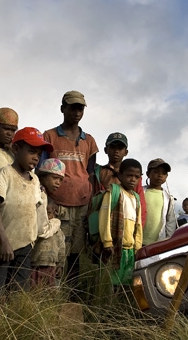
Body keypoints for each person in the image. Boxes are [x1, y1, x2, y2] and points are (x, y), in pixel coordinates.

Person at [0, 127, 54, 296]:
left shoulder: (36, 180)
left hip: (25, 246)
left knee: (18, 293)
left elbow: (37, 210)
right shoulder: (6, 173)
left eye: (39, 154)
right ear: (16, 149)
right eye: (31, 152)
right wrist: (4, 241)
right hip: (4, 246)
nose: (36, 158)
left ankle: (13, 322)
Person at [43, 91, 99, 284]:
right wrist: (47, 198)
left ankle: (72, 293)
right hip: (58, 203)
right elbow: (42, 170)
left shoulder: (89, 140)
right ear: (62, 109)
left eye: (80, 108)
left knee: (77, 251)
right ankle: (54, 291)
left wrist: (91, 201)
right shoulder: (50, 136)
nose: (77, 112)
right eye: (73, 107)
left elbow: (90, 173)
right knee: (58, 248)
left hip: (82, 203)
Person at [98, 159, 144, 286]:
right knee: (110, 282)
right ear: (120, 175)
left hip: (130, 249)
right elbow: (104, 218)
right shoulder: (113, 192)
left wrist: (138, 247)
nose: (133, 179)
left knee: (127, 282)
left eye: (136, 177)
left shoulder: (136, 197)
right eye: (129, 175)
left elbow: (138, 224)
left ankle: (121, 304)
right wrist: (107, 242)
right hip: (115, 247)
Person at [93, 132, 146, 224]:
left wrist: (139, 227)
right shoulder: (98, 172)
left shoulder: (134, 174)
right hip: (102, 220)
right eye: (113, 147)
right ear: (106, 150)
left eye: (120, 148)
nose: (116, 151)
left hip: (127, 220)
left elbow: (140, 204)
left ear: (126, 152)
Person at [32, 158, 66, 287]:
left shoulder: (45, 194)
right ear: (43, 176)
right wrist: (56, 222)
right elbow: (42, 229)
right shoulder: (38, 192)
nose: (58, 183)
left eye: (61, 180)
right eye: (54, 178)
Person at [142, 158, 177, 246]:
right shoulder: (140, 192)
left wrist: (168, 242)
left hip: (158, 243)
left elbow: (171, 222)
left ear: (166, 177)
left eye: (164, 173)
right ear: (148, 174)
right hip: (138, 241)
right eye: (156, 172)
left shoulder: (168, 198)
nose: (160, 175)